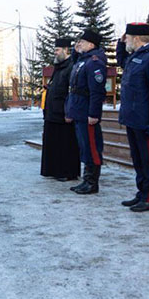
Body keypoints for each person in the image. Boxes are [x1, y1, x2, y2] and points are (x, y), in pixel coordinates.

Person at [116, 23, 149, 212]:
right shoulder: (135, 57)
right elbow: (121, 60)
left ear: (137, 39)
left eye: (128, 38)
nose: (126, 42)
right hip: (133, 117)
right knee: (138, 159)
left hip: (146, 119)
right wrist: (119, 43)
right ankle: (142, 193)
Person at [65, 29, 107, 195]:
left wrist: (94, 114)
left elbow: (96, 91)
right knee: (84, 146)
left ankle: (92, 182)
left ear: (91, 44)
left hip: (86, 111)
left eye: (81, 42)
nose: (78, 44)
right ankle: (86, 179)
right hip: (79, 109)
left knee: (91, 147)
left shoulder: (95, 62)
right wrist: (76, 52)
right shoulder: (84, 60)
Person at [40, 38, 80, 182]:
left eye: (57, 50)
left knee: (65, 144)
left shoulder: (71, 66)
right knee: (53, 143)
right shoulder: (59, 66)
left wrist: (69, 111)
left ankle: (67, 172)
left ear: (65, 50)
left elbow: (71, 91)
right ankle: (53, 170)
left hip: (63, 113)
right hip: (53, 112)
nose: (55, 53)